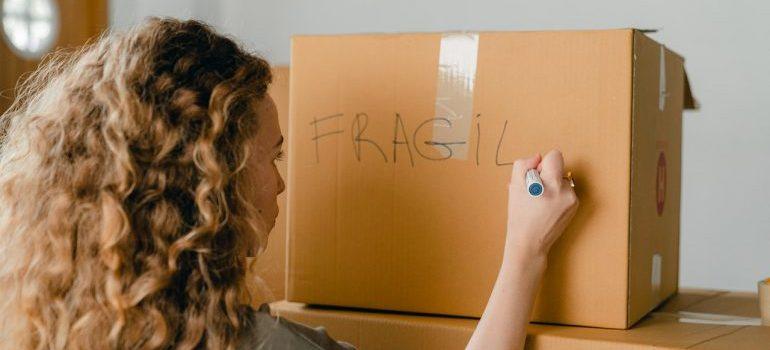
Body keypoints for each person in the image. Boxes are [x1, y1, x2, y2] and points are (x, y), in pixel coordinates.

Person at [0, 18, 577, 350]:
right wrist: (525, 253)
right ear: (213, 183)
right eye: (270, 157)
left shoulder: (52, 327)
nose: (280, 186)